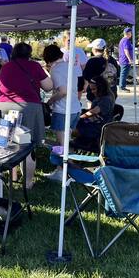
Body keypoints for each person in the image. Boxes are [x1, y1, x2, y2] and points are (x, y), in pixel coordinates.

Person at [0, 43, 53, 189]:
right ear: (29, 53)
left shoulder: (6, 67)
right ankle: (27, 183)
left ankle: (9, 178)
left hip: (4, 106)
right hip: (27, 107)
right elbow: (48, 86)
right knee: (27, 146)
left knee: (5, 144)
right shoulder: (35, 66)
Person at [43, 45, 81, 181]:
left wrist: (50, 101)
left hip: (63, 110)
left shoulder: (56, 70)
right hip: (75, 108)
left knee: (60, 143)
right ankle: (70, 169)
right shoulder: (69, 66)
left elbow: (63, 91)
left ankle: (61, 171)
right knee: (67, 141)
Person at [76, 75, 115, 141]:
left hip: (99, 127)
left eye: (94, 89)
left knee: (74, 125)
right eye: (91, 89)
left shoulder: (106, 99)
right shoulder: (101, 96)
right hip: (95, 122)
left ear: (101, 87)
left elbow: (93, 111)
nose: (92, 91)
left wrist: (80, 117)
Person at [60, 31, 88, 99]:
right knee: (64, 100)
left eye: (73, 39)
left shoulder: (79, 51)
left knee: (76, 100)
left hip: (78, 78)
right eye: (69, 40)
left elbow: (84, 67)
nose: (71, 42)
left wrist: (86, 82)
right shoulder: (60, 52)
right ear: (64, 40)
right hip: (64, 79)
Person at [118, 27, 134, 92]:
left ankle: (122, 87)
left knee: (124, 74)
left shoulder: (123, 40)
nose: (131, 34)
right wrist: (130, 59)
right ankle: (122, 87)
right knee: (123, 74)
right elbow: (126, 50)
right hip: (125, 60)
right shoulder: (126, 40)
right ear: (128, 33)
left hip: (124, 59)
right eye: (131, 33)